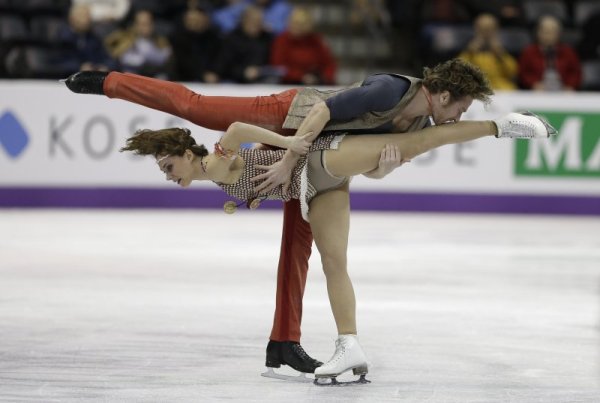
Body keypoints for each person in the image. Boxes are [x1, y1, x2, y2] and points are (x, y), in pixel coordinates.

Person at [63, 58, 495, 379]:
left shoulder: (419, 119)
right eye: (461, 106)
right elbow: (322, 113)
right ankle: (110, 82)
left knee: (299, 247)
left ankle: (284, 342)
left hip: (310, 157)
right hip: (291, 118)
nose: (460, 114)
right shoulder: (390, 89)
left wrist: (375, 167)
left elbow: (373, 161)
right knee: (195, 106)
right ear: (442, 94)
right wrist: (289, 156)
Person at [118, 112, 556, 381]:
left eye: (168, 165)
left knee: (415, 144)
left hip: (319, 158)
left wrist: (289, 144)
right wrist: (378, 173)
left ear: (186, 154)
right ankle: (350, 345)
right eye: (163, 171)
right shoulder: (215, 180)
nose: (169, 174)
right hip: (318, 192)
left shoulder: (218, 156)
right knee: (334, 263)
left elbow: (235, 127)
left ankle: (502, 125)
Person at [270, 7, 337, 85]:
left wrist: (325, 77)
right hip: (289, 84)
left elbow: (329, 63)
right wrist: (301, 77)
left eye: (302, 24)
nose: (297, 27)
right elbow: (279, 67)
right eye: (295, 23)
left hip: (315, 83)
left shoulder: (316, 40)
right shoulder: (282, 40)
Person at [213, 6, 278, 83]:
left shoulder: (267, 38)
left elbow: (272, 62)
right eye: (253, 21)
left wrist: (261, 70)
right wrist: (243, 72)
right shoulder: (231, 39)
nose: (256, 24)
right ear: (244, 20)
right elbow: (223, 66)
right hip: (235, 81)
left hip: (262, 80)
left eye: (259, 21)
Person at [518, 15, 582, 91]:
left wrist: (570, 85)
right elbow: (524, 73)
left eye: (552, 32)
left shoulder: (568, 52)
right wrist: (533, 84)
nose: (548, 35)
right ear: (538, 33)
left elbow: (575, 73)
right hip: (537, 90)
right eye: (545, 32)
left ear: (559, 34)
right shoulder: (529, 52)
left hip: (564, 90)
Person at [104, 9, 173, 79]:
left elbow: (165, 58)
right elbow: (119, 55)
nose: (145, 27)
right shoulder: (126, 40)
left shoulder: (160, 41)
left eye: (148, 23)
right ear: (135, 25)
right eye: (142, 24)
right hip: (132, 76)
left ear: (153, 24)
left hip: (154, 76)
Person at [458, 14, 518, 90]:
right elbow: (458, 70)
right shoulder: (469, 48)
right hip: (475, 86)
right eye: (482, 29)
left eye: (489, 29)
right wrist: (470, 52)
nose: (486, 33)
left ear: (496, 30)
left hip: (500, 87)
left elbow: (513, 73)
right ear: (476, 29)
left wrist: (501, 55)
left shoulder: (502, 49)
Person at [58, 4, 116, 73]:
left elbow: (108, 59)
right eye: (82, 16)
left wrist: (105, 67)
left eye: (88, 16)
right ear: (71, 18)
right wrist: (79, 67)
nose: (86, 19)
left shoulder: (94, 38)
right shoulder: (62, 38)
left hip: (91, 78)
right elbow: (56, 62)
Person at [169, 6, 220, 83]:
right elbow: (183, 62)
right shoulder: (176, 39)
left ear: (204, 20)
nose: (193, 23)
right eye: (190, 20)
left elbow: (219, 58)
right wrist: (202, 75)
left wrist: (214, 72)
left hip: (213, 79)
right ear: (184, 20)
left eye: (197, 20)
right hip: (184, 80)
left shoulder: (213, 38)